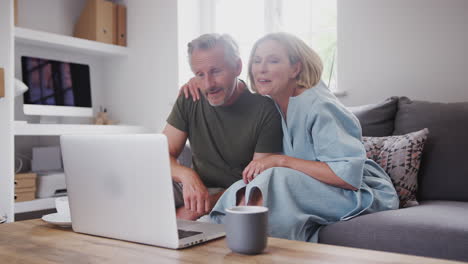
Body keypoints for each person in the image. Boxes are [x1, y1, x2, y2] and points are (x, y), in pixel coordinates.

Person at [205, 32, 399, 242]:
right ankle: (209, 240)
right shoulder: (273, 104)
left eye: (273, 60)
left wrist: (281, 161)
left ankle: (255, 247)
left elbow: (346, 177)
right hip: (313, 187)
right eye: (257, 61)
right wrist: (197, 84)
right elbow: (233, 91)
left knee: (275, 179)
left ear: (295, 68)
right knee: (241, 188)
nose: (261, 68)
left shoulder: (321, 106)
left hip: (359, 193)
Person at [162, 34, 283, 221]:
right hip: (193, 187)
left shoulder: (265, 111)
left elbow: (257, 184)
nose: (208, 84)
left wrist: (204, 206)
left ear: (237, 67)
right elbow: (161, 153)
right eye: (200, 74)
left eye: (216, 71)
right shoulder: (190, 96)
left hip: (233, 195)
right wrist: (186, 174)